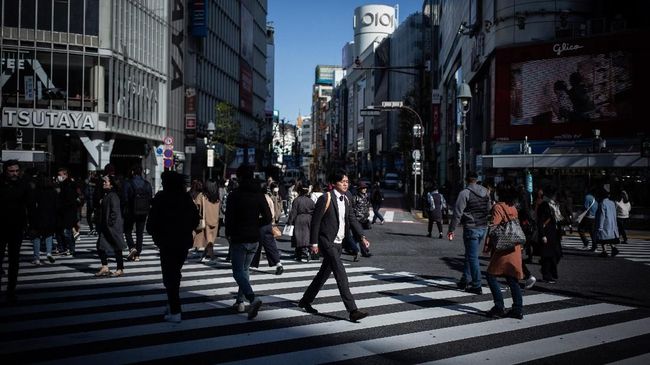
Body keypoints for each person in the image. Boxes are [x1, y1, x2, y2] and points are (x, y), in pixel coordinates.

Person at [297, 170, 370, 323]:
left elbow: (352, 218)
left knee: (323, 275)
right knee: (340, 272)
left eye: (347, 181)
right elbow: (316, 221)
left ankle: (305, 300)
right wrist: (314, 243)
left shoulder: (348, 197)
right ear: (334, 183)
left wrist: (362, 237)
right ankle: (352, 310)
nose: (346, 184)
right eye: (343, 181)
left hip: (339, 241)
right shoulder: (326, 198)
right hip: (326, 241)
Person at [146, 171, 200, 323]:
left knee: (170, 276)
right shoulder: (185, 198)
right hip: (183, 241)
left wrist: (157, 233)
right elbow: (195, 220)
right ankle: (172, 304)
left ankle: (175, 310)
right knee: (174, 273)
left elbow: (151, 223)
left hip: (166, 241)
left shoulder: (161, 198)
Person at [225, 164, 272, 319]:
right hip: (254, 237)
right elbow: (268, 217)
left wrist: (228, 234)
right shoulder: (259, 194)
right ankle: (240, 302)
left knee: (238, 272)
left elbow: (229, 218)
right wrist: (256, 224)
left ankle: (252, 299)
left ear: (239, 177)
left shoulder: (234, 195)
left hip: (239, 237)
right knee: (245, 271)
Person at [483, 181, 525, 319]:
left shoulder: (498, 207)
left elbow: (493, 229)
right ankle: (517, 308)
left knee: (490, 275)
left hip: (503, 247)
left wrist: (487, 246)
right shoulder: (513, 207)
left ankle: (499, 306)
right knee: (512, 278)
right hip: (515, 246)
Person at [447, 171, 491, 294]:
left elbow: (457, 213)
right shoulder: (486, 192)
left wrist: (451, 230)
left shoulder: (465, 193)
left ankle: (477, 284)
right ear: (477, 179)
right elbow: (489, 209)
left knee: (472, 257)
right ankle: (465, 279)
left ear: (467, 180)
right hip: (483, 227)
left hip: (471, 228)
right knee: (470, 255)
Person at [0, 160, 31, 304]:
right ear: (5, 171)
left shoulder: (23, 184)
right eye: (12, 171)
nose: (15, 174)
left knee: (14, 260)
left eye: (17, 171)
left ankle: (11, 291)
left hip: (17, 227)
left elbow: (30, 204)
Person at [95, 175, 127, 277]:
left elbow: (114, 211)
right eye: (103, 182)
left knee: (117, 247)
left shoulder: (113, 195)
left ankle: (120, 269)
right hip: (106, 226)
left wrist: (110, 223)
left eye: (106, 182)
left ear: (112, 184)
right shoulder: (108, 194)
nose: (104, 183)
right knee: (100, 246)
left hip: (112, 227)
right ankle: (105, 267)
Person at [251, 182, 284, 275]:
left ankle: (250, 264)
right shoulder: (269, 198)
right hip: (269, 224)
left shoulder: (258, 198)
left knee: (256, 245)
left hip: (260, 224)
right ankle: (279, 264)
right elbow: (272, 213)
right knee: (271, 245)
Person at [123, 166, 153, 262]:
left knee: (127, 230)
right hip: (143, 211)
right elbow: (150, 198)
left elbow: (124, 198)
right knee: (140, 233)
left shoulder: (127, 183)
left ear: (132, 172)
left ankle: (132, 247)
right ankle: (137, 255)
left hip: (130, 211)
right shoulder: (147, 184)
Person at [28, 172, 58, 265]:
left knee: (36, 237)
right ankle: (48, 252)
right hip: (50, 217)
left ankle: (36, 258)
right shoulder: (53, 192)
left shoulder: (35, 192)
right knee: (49, 236)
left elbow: (31, 206)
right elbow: (57, 206)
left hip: (38, 217)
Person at [536, 187, 563, 283]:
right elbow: (540, 221)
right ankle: (547, 275)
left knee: (557, 254)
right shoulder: (544, 205)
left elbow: (558, 219)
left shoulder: (554, 205)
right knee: (547, 256)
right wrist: (542, 235)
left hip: (554, 233)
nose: (556, 196)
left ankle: (546, 271)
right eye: (554, 194)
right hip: (547, 233)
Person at [287, 182, 315, 262]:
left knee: (298, 237)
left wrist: (290, 221)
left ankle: (299, 254)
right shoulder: (310, 201)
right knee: (307, 236)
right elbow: (314, 211)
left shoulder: (297, 200)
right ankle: (307, 252)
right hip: (309, 218)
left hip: (299, 219)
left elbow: (293, 212)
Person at [55, 167, 80, 256]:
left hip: (68, 211)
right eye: (58, 175)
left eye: (60, 175)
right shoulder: (62, 184)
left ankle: (71, 248)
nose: (58, 177)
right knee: (64, 231)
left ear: (65, 175)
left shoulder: (69, 185)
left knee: (67, 232)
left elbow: (70, 199)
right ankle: (67, 248)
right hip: (63, 212)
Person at [594, 185, 620, 257]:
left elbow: (601, 215)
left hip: (605, 223)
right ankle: (613, 248)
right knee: (610, 238)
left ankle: (604, 251)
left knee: (603, 238)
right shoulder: (612, 203)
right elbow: (614, 214)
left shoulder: (602, 203)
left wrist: (600, 226)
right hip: (612, 223)